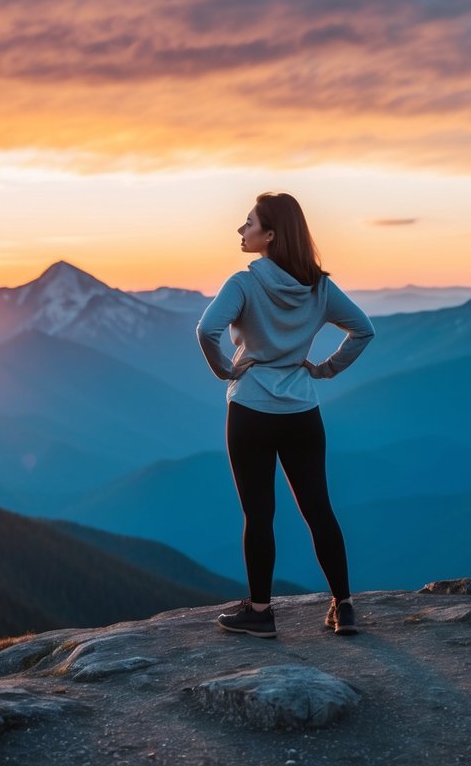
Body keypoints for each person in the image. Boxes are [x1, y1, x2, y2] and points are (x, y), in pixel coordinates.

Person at [197, 192, 375, 638]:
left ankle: (260, 612)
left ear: (271, 235)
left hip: (251, 408)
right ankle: (345, 606)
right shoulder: (320, 287)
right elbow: (363, 330)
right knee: (319, 509)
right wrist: (324, 369)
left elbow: (206, 330)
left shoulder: (243, 284)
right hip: (302, 409)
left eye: (249, 222)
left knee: (259, 515)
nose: (242, 230)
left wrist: (225, 369)